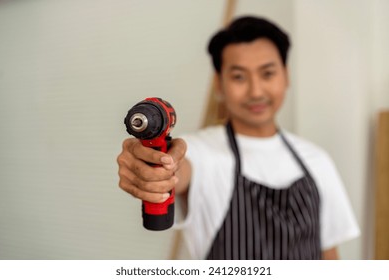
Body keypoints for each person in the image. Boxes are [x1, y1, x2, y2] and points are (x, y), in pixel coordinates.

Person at [117, 16, 360, 260]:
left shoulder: (317, 161)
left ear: (285, 76)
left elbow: (329, 255)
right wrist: (154, 170)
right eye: (239, 77)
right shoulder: (200, 151)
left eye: (267, 73)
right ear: (219, 85)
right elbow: (177, 168)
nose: (255, 91)